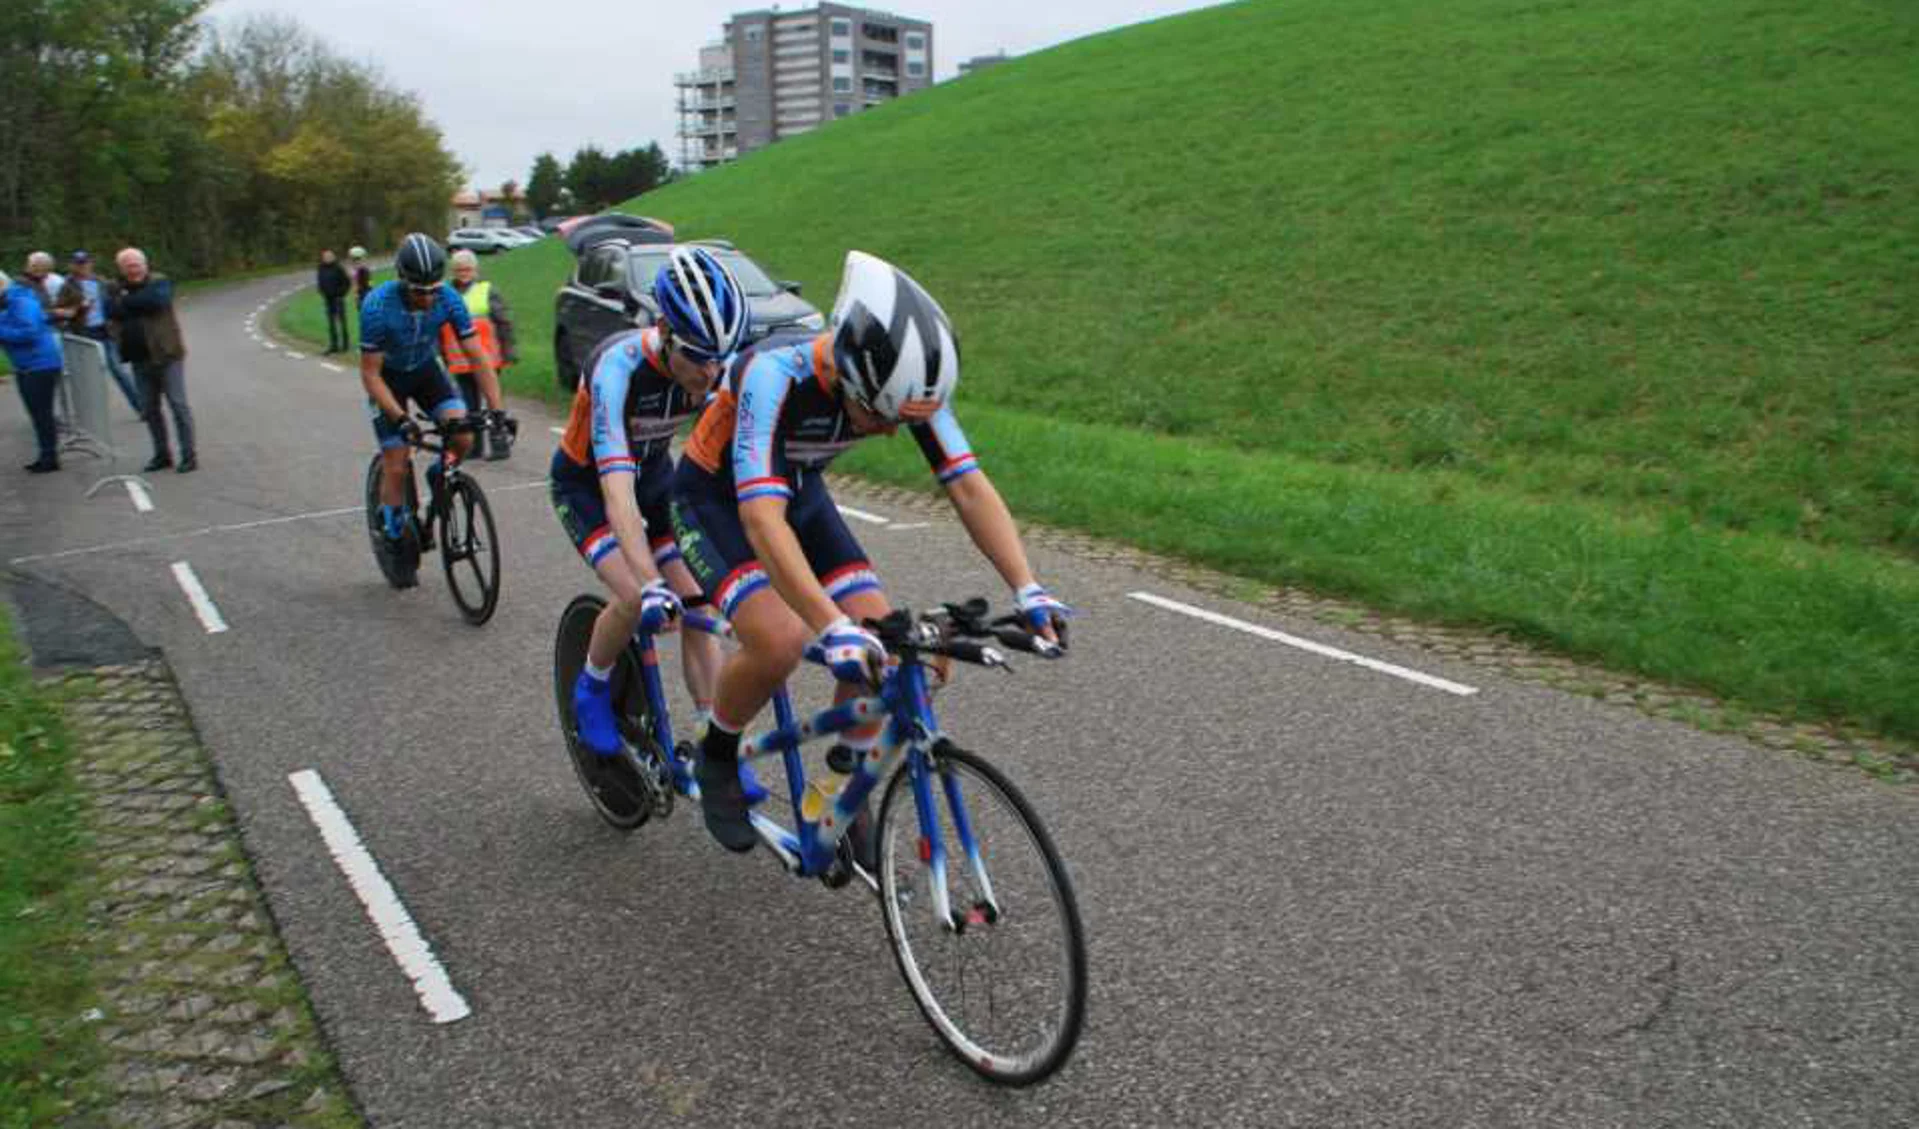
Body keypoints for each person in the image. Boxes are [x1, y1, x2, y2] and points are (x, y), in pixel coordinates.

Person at [670, 251, 1070, 852]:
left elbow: (966, 484)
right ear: (846, 371)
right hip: (714, 501)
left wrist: (1027, 586)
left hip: (800, 494)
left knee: (898, 647)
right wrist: (830, 626)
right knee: (777, 639)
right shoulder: (774, 375)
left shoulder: (901, 387)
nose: (887, 432)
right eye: (877, 416)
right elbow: (759, 517)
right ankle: (718, 752)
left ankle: (833, 789)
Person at [553, 247, 746, 805]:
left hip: (657, 480)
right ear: (663, 331)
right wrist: (649, 581)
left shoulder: (712, 366)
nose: (710, 374)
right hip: (588, 487)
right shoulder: (616, 369)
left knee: (700, 607)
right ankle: (591, 686)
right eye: (698, 357)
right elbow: (616, 493)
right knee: (639, 595)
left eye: (721, 358)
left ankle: (714, 746)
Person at [359, 233, 505, 555]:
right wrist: (400, 418)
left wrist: (497, 411)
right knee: (397, 461)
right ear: (402, 280)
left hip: (426, 372)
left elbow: (477, 356)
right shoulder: (377, 307)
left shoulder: (448, 297)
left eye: (432, 290)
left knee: (463, 436)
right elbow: (370, 374)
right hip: (388, 380)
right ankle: (392, 525)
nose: (427, 298)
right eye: (418, 291)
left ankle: (440, 472)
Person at [107, 248, 196, 474]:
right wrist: (130, 302)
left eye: (136, 264)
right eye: (128, 266)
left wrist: (127, 302)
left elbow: (156, 301)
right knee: (150, 409)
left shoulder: (160, 281)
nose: (133, 269)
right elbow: (110, 309)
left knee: (178, 404)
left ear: (145, 264)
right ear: (121, 269)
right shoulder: (114, 287)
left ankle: (189, 455)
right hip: (138, 358)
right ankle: (162, 454)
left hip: (167, 354)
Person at [440, 249, 517, 460]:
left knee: (493, 403)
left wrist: (509, 351)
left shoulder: (487, 290)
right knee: (468, 405)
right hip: (460, 362)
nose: (463, 273)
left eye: (467, 269)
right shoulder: (445, 293)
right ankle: (474, 446)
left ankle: (499, 444)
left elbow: (504, 322)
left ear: (475, 270)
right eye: (459, 270)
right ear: (452, 271)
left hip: (487, 360)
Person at [54, 251, 141, 413]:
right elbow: (59, 309)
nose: (83, 267)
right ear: (73, 265)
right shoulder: (67, 285)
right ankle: (91, 414)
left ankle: (141, 407)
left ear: (91, 264)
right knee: (89, 376)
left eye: (85, 263)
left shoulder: (102, 282)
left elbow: (118, 300)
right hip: (84, 333)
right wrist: (78, 308)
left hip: (105, 331)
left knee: (119, 371)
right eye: (79, 264)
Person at [0, 270, 64, 473]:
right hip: (27, 364)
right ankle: (45, 453)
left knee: (42, 412)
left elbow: (29, 331)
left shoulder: (20, 301)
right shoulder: (12, 301)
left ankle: (49, 456)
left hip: (39, 363)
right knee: (37, 413)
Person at [316, 249, 351, 354]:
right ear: (323, 258)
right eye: (325, 257)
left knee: (342, 322)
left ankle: (345, 345)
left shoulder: (339, 268)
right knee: (331, 324)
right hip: (328, 299)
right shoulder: (320, 268)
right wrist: (321, 291)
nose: (328, 258)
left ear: (334, 257)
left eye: (330, 256)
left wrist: (341, 294)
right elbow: (320, 281)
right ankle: (333, 345)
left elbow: (347, 283)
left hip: (338, 299)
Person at [21, 252, 65, 317]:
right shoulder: (23, 285)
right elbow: (28, 314)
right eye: (46, 269)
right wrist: (55, 313)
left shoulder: (37, 284)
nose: (47, 275)